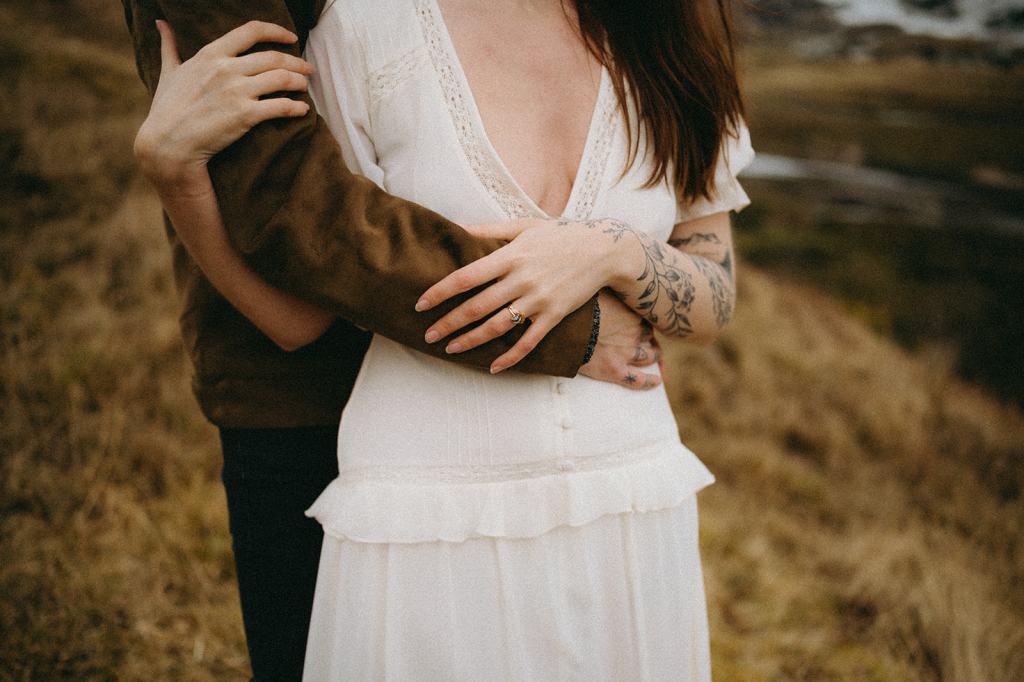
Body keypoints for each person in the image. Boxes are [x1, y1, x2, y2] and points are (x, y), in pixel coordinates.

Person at [123, 1, 670, 679]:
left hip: (501, 420)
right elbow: (299, 237)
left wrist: (609, 262)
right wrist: (571, 323)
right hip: (306, 402)